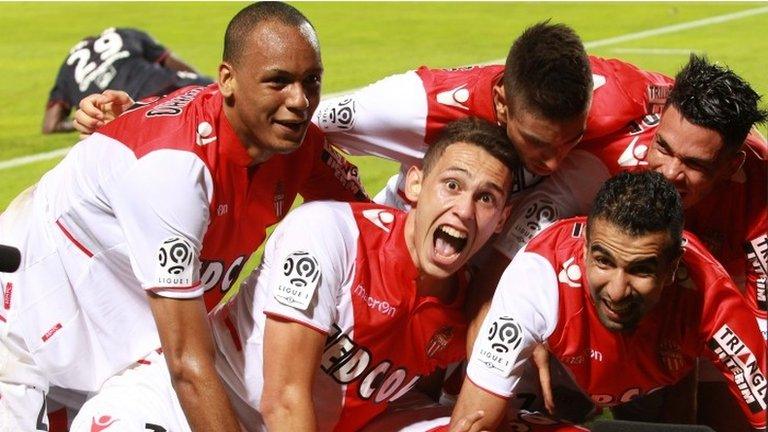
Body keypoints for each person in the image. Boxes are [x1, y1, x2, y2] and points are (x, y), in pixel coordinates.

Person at [0, 2, 366, 431]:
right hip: (28, 330)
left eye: (312, 81)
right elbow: (189, 364)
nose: (300, 101)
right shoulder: (174, 170)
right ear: (227, 80)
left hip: (127, 349)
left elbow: (376, 232)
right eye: (278, 82)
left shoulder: (297, 146)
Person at [67, 117, 519, 432]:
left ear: (501, 219)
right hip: (177, 410)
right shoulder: (330, 233)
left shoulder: (470, 314)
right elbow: (283, 400)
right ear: (416, 184)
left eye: (486, 198)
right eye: (453, 185)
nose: (463, 209)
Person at [448, 171, 767, 431]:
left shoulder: (712, 299)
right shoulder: (538, 273)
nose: (616, 291)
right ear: (584, 249)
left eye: (641, 270)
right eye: (603, 261)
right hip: (558, 373)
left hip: (654, 373)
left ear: (672, 268)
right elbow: (471, 421)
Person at [43, 27, 213, 134]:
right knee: (216, 97)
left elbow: (50, 125)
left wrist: (90, 121)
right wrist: (201, 81)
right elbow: (172, 63)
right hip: (167, 84)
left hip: (127, 111)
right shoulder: (122, 34)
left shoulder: (67, 69)